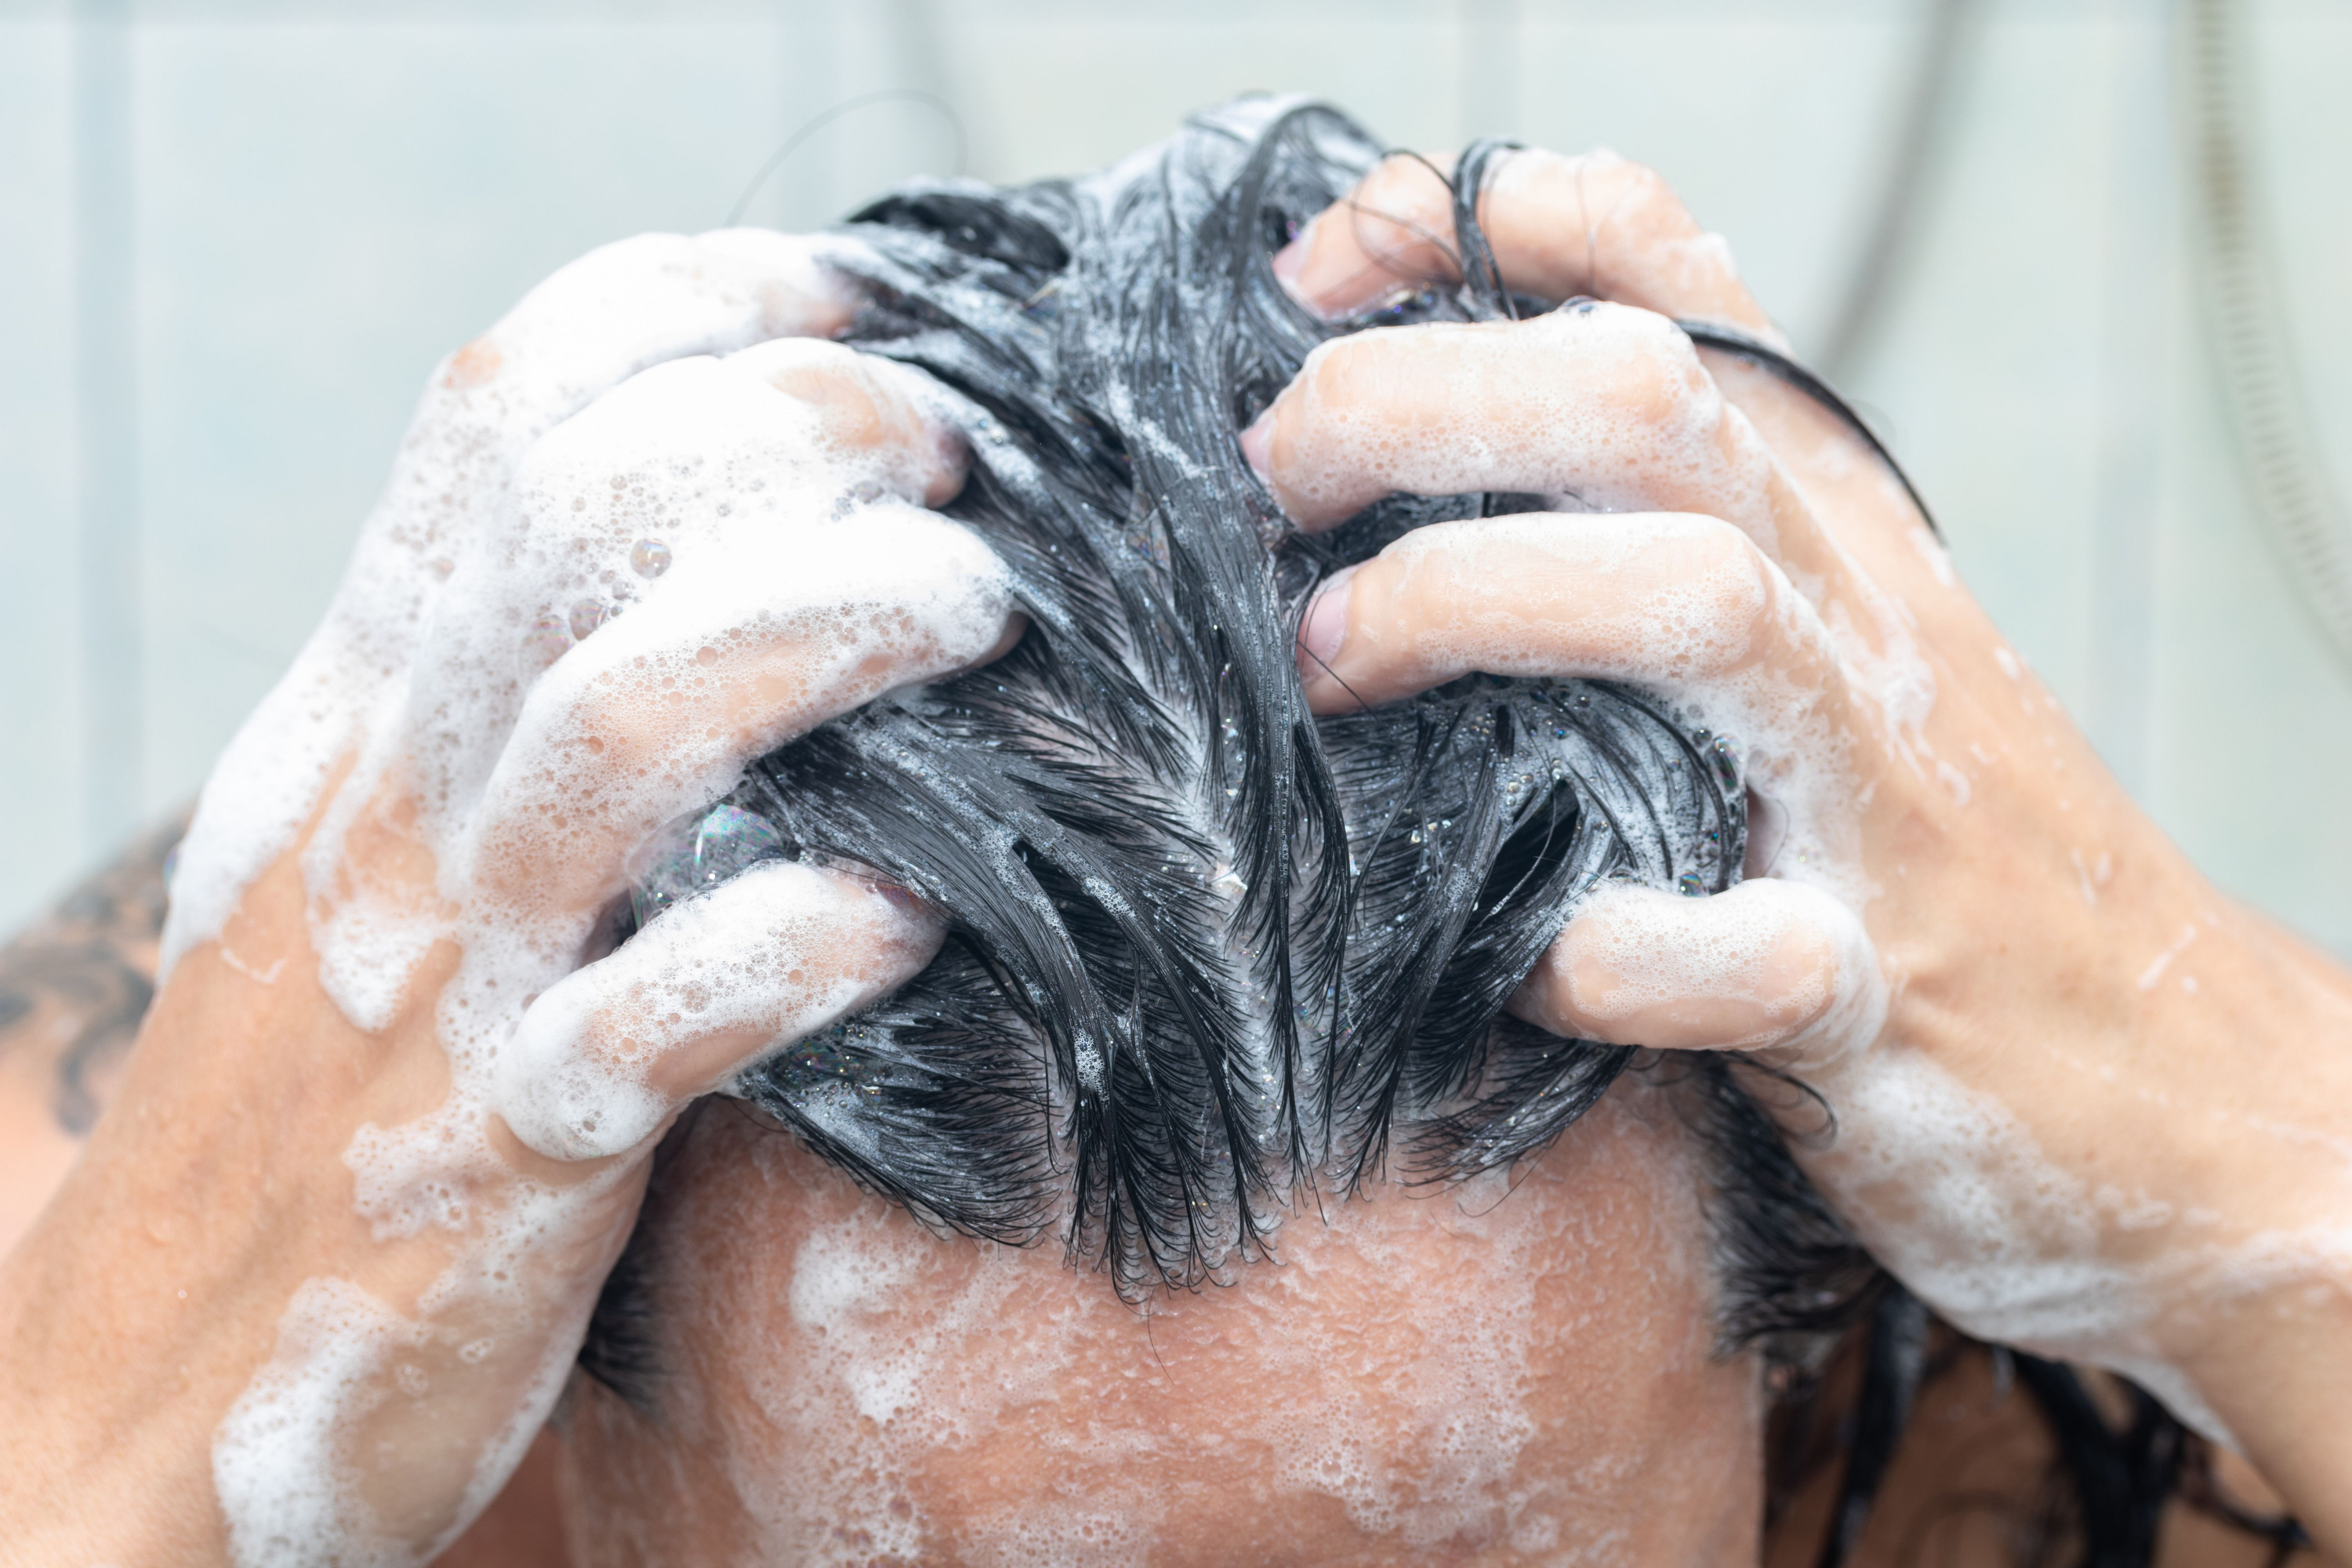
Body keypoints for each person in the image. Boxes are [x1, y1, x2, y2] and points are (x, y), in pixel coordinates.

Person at [1, 98, 2344, 1566]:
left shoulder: (2014, 1466)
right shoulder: (271, 1409)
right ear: (524, 1464)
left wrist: (2282, 1195)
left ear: (1807, 1368)